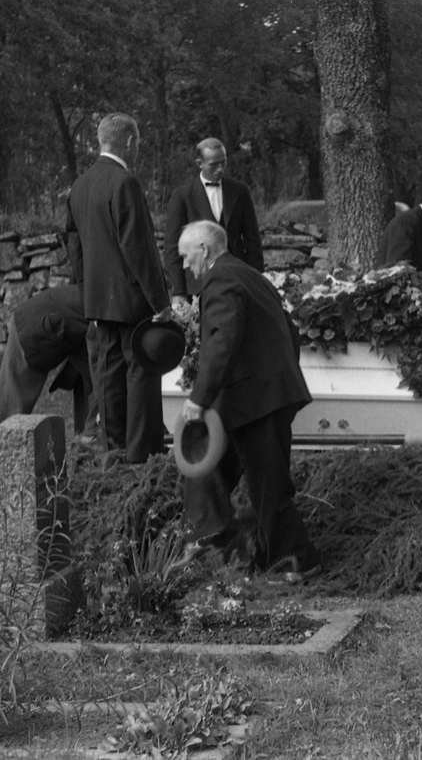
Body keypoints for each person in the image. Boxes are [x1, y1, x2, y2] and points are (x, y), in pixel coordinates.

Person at [174, 220, 321, 583]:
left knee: (268, 485)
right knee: (212, 470)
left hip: (257, 399)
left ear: (204, 250)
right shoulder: (249, 275)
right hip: (260, 395)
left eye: (185, 255)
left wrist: (199, 398)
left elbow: (222, 341)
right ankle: (216, 546)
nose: (183, 265)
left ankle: (298, 560)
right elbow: (290, 330)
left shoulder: (220, 279)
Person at [64, 112, 171, 464]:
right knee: (140, 376)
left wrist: (87, 295)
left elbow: (75, 251)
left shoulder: (79, 186)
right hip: (131, 301)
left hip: (98, 302)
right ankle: (143, 458)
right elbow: (138, 249)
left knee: (107, 379)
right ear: (130, 142)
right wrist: (161, 303)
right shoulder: (125, 183)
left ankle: (115, 454)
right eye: (137, 143)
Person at [0, 285, 98, 465]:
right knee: (8, 409)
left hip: (68, 328)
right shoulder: (109, 309)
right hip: (31, 323)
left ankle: (89, 445)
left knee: (100, 385)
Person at [162, 138, 263, 313]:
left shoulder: (240, 191)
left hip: (237, 280)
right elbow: (171, 248)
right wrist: (177, 291)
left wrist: (257, 279)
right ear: (199, 163)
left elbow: (252, 240)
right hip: (197, 285)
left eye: (223, 163)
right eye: (213, 164)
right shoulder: (182, 196)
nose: (220, 169)